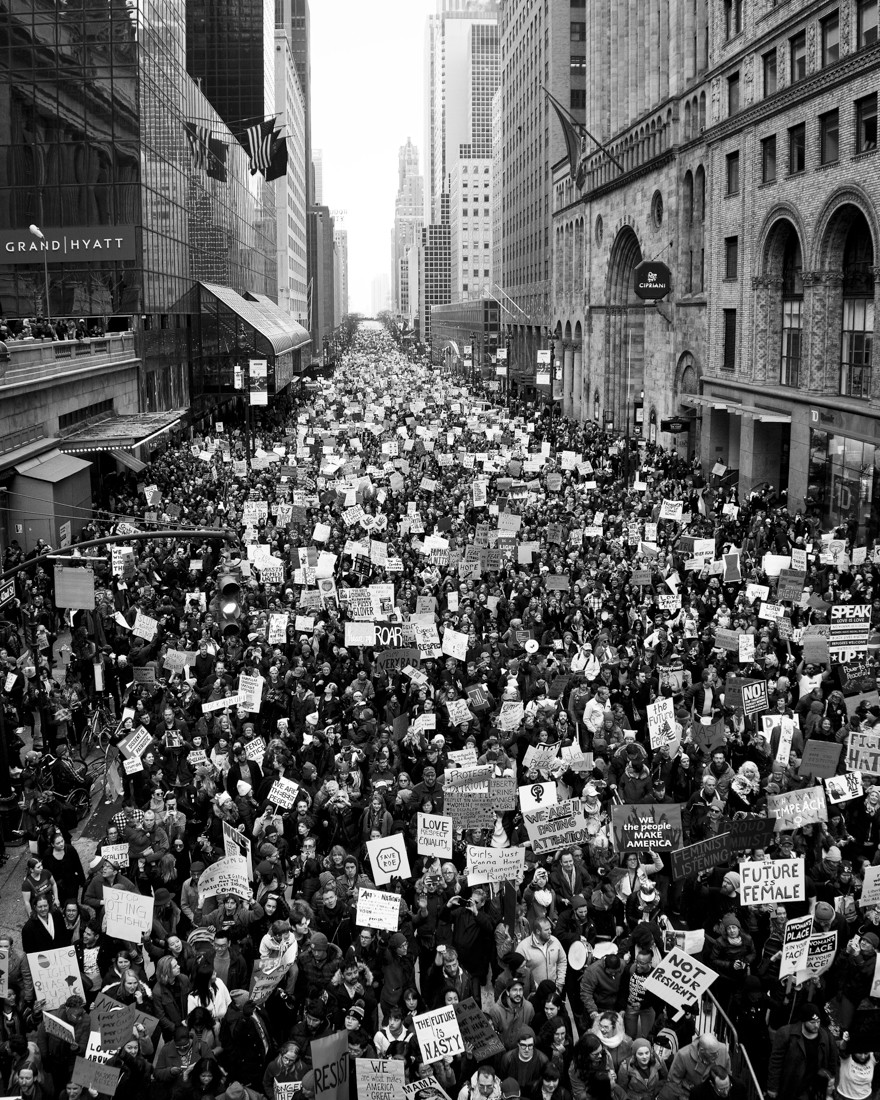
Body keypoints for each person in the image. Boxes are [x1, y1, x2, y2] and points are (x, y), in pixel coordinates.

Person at [766, 1004, 839, 1100]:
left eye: (818, 1021)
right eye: (812, 1022)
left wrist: (831, 1083)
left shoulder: (826, 1036)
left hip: (813, 1087)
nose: (816, 1025)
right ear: (803, 1021)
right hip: (791, 1085)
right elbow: (776, 1062)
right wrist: (773, 1087)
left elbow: (833, 1060)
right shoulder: (786, 1034)